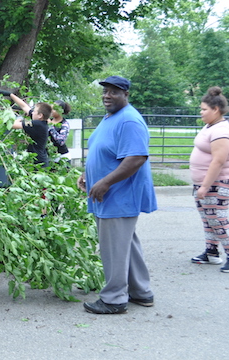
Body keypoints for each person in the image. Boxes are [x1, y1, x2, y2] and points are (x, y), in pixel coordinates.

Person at [77, 76, 157, 314]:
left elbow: (136, 158)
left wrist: (104, 182)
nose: (107, 95)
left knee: (113, 248)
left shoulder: (130, 120)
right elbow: (104, 150)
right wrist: (87, 174)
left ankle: (114, 299)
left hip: (119, 195)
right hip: (110, 194)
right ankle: (141, 292)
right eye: (105, 91)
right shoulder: (111, 117)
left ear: (126, 94)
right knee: (126, 245)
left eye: (114, 91)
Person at [189, 87, 229, 273]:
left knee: (218, 219)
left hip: (219, 182)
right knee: (208, 218)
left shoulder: (221, 130)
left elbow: (219, 161)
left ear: (215, 109)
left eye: (204, 109)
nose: (201, 112)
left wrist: (205, 186)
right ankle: (212, 252)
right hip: (205, 182)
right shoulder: (211, 126)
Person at [0, 90, 53, 168]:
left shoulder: (38, 124)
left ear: (40, 115)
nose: (32, 112)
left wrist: (18, 119)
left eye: (35, 111)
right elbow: (24, 106)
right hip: (36, 158)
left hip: (39, 162)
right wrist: (10, 95)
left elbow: (12, 125)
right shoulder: (40, 120)